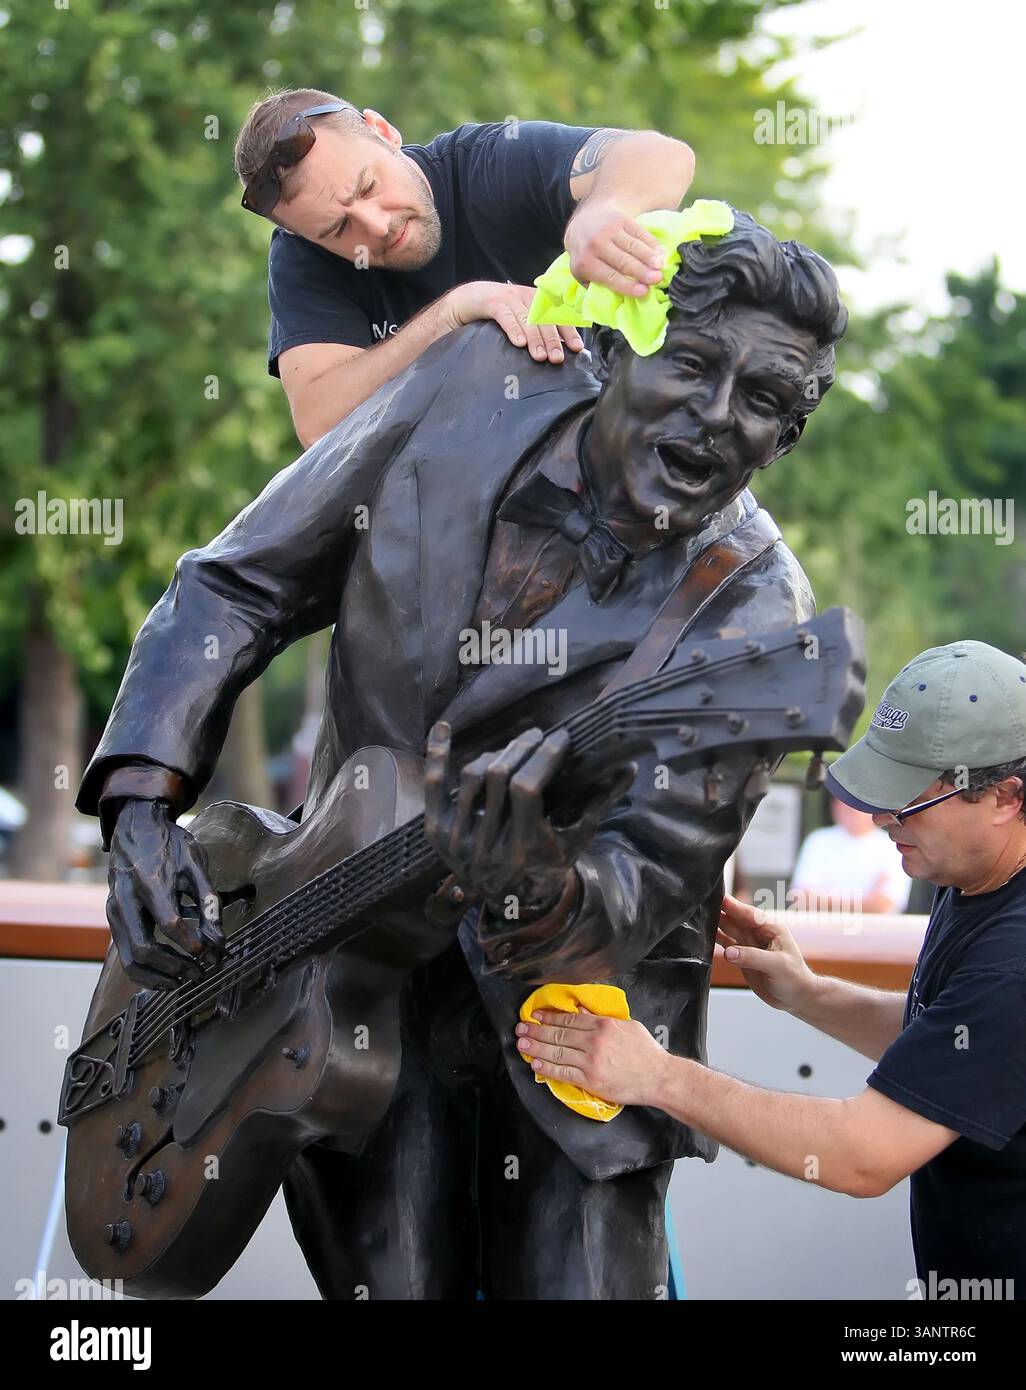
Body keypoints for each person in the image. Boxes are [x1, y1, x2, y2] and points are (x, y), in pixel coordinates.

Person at [76, 209, 848, 1299]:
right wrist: (145, 805)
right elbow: (239, 582)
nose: (718, 418)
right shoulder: (469, 387)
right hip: (331, 988)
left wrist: (535, 884)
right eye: (694, 363)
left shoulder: (760, 626)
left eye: (764, 401)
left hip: (576, 1034)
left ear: (787, 438)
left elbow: (638, 881)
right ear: (621, 341)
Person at [519, 641, 1026, 1295]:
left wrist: (658, 1077)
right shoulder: (978, 874)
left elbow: (862, 1155)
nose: (877, 821)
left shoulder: (1013, 962)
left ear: (1006, 797)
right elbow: (952, 1043)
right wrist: (807, 994)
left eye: (908, 803)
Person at [233, 91, 697, 446]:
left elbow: (662, 156)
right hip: (438, 513)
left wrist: (602, 211)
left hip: (614, 438)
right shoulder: (300, 256)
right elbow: (319, 422)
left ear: (383, 131)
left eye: (369, 186)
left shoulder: (485, 162)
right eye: (338, 229)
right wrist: (455, 313)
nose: (376, 226)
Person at [790, 793, 911, 913]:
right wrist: (866, 901)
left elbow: (885, 904)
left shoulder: (891, 845)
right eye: (843, 801)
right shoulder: (817, 840)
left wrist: (824, 900)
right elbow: (800, 898)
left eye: (855, 804)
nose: (848, 808)